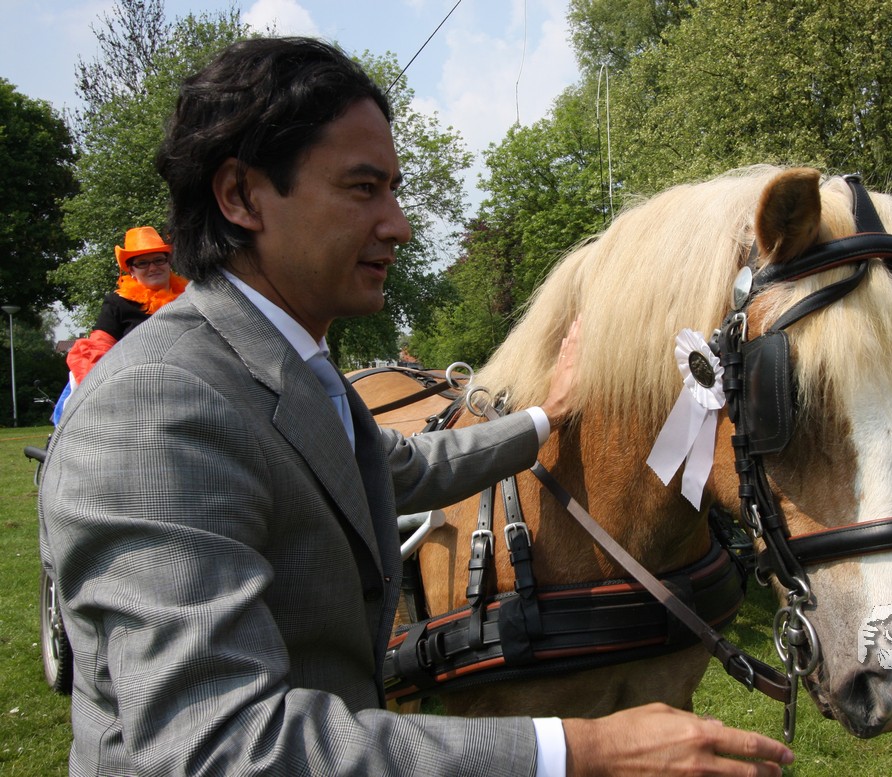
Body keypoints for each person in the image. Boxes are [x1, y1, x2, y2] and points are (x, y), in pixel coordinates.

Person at [38, 36, 795, 776]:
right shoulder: (156, 404)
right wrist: (581, 750)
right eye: (363, 189)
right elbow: (215, 747)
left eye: (393, 190)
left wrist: (547, 416)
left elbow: (400, 468)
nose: (398, 224)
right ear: (240, 195)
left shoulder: (291, 364)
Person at [52, 227, 187, 423]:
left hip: (182, 380)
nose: (153, 268)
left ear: (169, 262)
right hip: (132, 385)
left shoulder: (188, 299)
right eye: (142, 263)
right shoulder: (118, 303)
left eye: (159, 260)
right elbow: (99, 347)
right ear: (131, 270)